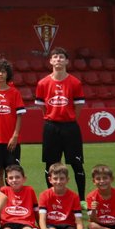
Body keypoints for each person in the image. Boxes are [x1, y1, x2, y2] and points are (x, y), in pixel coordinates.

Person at [35, 48, 85, 196]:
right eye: (55, 57)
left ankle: (81, 199)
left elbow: (79, 105)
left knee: (77, 164)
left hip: (70, 127)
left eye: (61, 57)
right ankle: (51, 195)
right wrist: (52, 117)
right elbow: (42, 108)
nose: (58, 59)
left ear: (67, 61)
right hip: (51, 127)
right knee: (50, 165)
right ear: (50, 61)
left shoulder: (75, 82)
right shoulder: (43, 83)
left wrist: (69, 118)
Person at [0, 58, 24, 186]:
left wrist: (15, 136)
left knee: (12, 172)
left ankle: (12, 201)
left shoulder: (14, 93)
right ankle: (2, 201)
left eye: (3, 72)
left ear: (8, 74)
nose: (0, 74)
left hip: (11, 141)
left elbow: (19, 116)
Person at [38, 163, 87, 229]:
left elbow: (78, 220)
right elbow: (42, 218)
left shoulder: (74, 196)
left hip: (68, 225)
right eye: (55, 179)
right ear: (50, 180)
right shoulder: (44, 195)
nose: (58, 182)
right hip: (51, 224)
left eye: (62, 179)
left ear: (67, 180)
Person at [0, 162, 39, 229]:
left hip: (25, 221)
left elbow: (36, 209)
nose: (14, 180)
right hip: (8, 221)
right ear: (7, 180)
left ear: (24, 179)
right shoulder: (4, 190)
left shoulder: (29, 190)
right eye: (11, 178)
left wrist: (41, 226)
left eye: (17, 177)